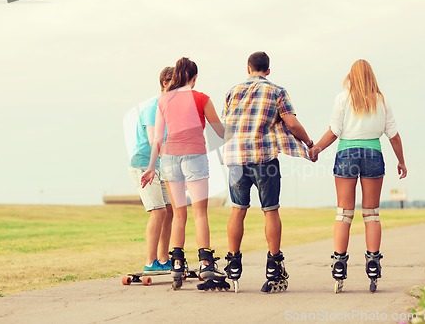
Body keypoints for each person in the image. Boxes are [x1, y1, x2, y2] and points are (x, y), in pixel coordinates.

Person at [308, 59, 407, 293]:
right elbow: (393, 135)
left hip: (346, 154)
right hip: (373, 153)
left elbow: (334, 131)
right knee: (371, 213)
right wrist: (401, 161)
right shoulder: (381, 100)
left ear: (350, 76)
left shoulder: (343, 98)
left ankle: (339, 264)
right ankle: (373, 263)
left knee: (344, 213)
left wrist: (316, 149)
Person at [222, 51, 314, 293]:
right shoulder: (277, 91)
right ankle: (273, 266)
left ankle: (233, 264)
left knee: (238, 210)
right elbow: (292, 123)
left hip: (235, 160)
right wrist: (309, 143)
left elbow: (227, 126)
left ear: (248, 68)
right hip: (265, 158)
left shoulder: (233, 91)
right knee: (270, 210)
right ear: (268, 70)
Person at [140, 57, 229, 291]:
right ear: (194, 77)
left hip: (169, 160)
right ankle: (206, 261)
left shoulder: (163, 100)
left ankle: (177, 262)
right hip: (195, 158)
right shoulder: (201, 98)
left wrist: (151, 167)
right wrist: (238, 126)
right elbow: (220, 132)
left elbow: (158, 139)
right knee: (200, 213)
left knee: (179, 215)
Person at [124, 67, 174, 272]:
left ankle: (163, 259)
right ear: (164, 83)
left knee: (170, 211)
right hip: (145, 166)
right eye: (175, 84)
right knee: (158, 211)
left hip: (161, 166)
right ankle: (150, 261)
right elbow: (156, 141)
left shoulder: (170, 109)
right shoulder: (153, 108)